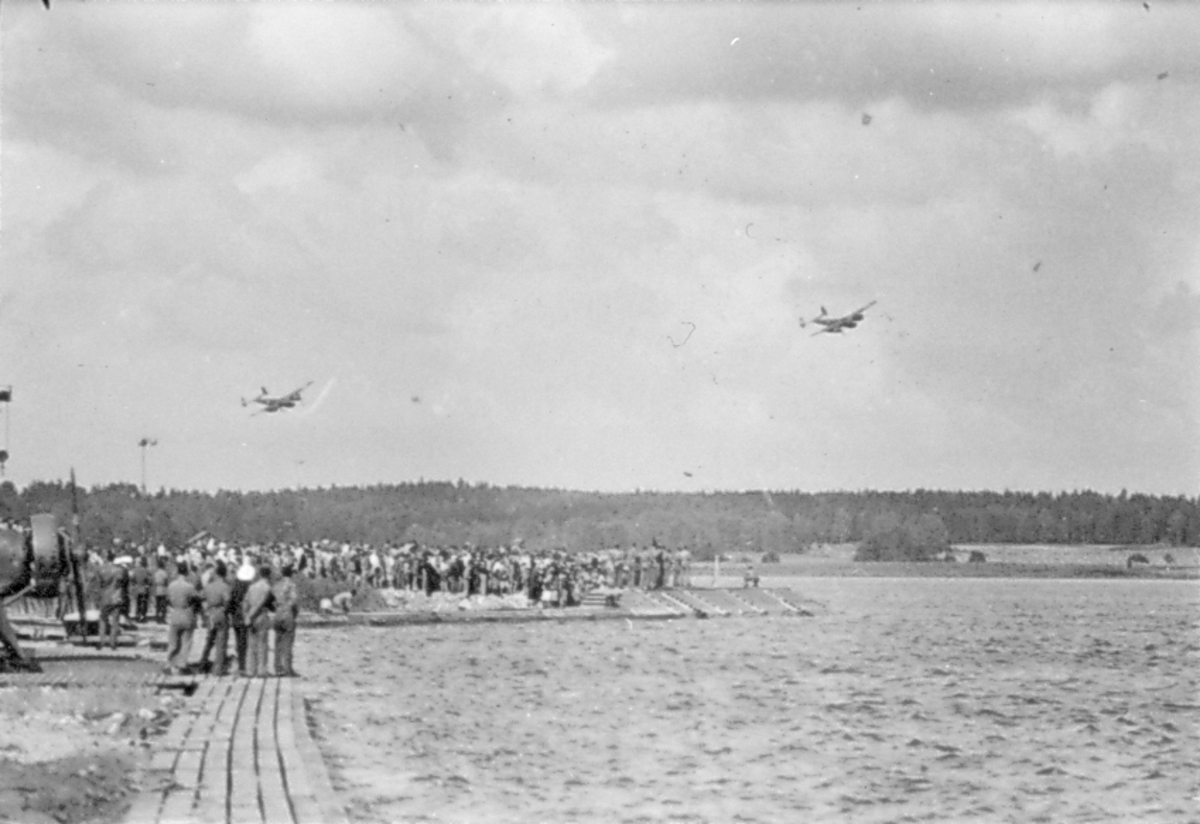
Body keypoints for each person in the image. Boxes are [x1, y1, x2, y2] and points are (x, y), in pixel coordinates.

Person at [165, 561, 202, 674]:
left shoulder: (171, 585)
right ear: (186, 572)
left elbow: (167, 600)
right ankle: (182, 665)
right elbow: (197, 600)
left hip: (175, 612)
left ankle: (170, 663)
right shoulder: (189, 587)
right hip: (187, 613)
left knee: (173, 641)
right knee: (186, 641)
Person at [198, 560, 231, 675]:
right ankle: (218, 668)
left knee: (209, 640)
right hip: (220, 613)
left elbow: (200, 598)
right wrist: (225, 609)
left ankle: (202, 663)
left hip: (210, 613)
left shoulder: (208, 586)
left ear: (216, 574)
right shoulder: (225, 587)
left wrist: (205, 611)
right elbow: (227, 601)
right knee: (221, 642)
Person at [243, 564, 275, 678]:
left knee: (251, 644)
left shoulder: (252, 586)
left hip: (250, 616)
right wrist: (251, 615)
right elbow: (260, 604)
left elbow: (245, 602)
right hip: (260, 615)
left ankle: (250, 670)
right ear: (269, 575)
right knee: (262, 644)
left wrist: (246, 615)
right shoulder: (267, 587)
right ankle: (261, 670)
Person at [98, 553, 130, 651]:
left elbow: (99, 584)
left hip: (105, 597)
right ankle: (113, 643)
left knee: (103, 619)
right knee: (115, 620)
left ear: (106, 558)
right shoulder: (120, 570)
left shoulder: (101, 569)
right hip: (117, 596)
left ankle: (101, 642)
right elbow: (125, 583)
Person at [272, 565, 300, 677]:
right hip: (287, 613)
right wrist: (294, 614)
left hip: (277, 613)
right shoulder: (291, 585)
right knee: (288, 643)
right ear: (291, 574)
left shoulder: (276, 585)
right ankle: (288, 669)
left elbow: (272, 601)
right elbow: (294, 601)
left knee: (278, 642)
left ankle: (278, 668)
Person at [228, 560, 254, 677]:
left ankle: (240, 665)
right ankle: (244, 666)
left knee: (239, 642)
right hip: (246, 617)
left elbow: (229, 604)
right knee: (245, 642)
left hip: (235, 618)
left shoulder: (235, 588)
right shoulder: (250, 588)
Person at [130, 556, 152, 623]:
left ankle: (137, 616)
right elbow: (149, 580)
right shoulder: (146, 570)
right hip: (144, 589)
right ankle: (143, 616)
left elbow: (132, 579)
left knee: (138, 603)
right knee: (144, 603)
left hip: (137, 589)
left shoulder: (135, 570)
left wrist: (134, 584)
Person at [152, 558, 170, 624]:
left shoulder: (156, 573)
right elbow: (166, 581)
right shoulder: (164, 573)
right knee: (163, 605)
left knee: (157, 605)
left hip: (157, 589)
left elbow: (153, 581)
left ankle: (157, 618)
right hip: (163, 589)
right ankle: (163, 618)